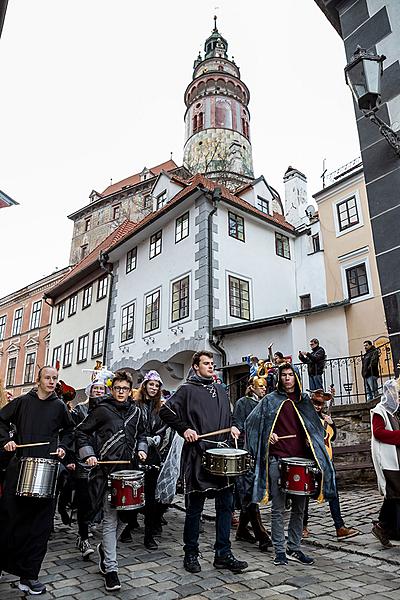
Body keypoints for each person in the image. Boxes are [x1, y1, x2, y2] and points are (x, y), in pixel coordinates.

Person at [159, 351, 248, 575]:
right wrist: (185, 429)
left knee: (226, 506)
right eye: (206, 364)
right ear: (196, 366)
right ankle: (190, 553)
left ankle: (223, 554)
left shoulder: (220, 388)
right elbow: (165, 412)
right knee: (194, 509)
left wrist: (234, 426)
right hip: (197, 453)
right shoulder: (186, 389)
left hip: (222, 453)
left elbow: (230, 417)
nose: (211, 367)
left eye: (212, 364)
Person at [245, 363, 336, 566]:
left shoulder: (304, 401)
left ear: (296, 377)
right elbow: (251, 422)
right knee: (278, 509)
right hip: (278, 460)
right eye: (283, 375)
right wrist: (268, 435)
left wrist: (311, 439)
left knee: (299, 509)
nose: (287, 378)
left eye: (290, 375)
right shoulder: (270, 400)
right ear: (279, 378)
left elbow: (316, 428)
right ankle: (279, 550)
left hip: (301, 462)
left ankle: (294, 547)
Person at [0, 366, 74, 595]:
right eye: (48, 378)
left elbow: (70, 431)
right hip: (19, 467)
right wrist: (6, 440)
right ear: (38, 379)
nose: (52, 382)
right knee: (10, 522)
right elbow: (0, 422)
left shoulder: (59, 406)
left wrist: (63, 447)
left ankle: (29, 576)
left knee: (39, 527)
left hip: (46, 472)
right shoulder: (22, 402)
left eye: (55, 378)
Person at [75, 370, 148, 592]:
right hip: (107, 473)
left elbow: (143, 435)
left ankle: (105, 550)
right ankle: (112, 570)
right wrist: (88, 454)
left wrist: (142, 449)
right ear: (112, 389)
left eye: (125, 389)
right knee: (110, 518)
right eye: (117, 388)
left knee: (127, 518)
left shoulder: (137, 412)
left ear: (130, 390)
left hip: (130, 472)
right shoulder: (102, 410)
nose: (121, 392)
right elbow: (81, 433)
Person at [302, 389, 358, 540]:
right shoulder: (305, 418)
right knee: (305, 494)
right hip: (311, 459)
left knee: (333, 493)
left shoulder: (324, 419)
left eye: (320, 404)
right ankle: (303, 526)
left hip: (327, 461)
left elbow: (331, 438)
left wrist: (332, 425)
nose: (317, 406)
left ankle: (339, 527)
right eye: (315, 403)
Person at [231, 376, 272, 552]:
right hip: (246, 452)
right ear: (252, 387)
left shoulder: (266, 404)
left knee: (252, 491)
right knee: (248, 492)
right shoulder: (243, 403)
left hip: (261, 453)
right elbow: (238, 425)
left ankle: (241, 531)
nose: (263, 389)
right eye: (260, 386)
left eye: (265, 387)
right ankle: (261, 533)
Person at [71, 378, 107, 559]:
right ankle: (83, 537)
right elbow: (73, 434)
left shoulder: (109, 409)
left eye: (102, 388)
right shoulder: (80, 410)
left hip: (102, 462)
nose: (99, 391)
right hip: (83, 461)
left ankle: (90, 524)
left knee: (97, 500)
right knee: (84, 501)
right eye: (96, 388)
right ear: (89, 391)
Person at [133, 369, 168, 550]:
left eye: (157, 385)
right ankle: (128, 525)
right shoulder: (135, 404)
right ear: (145, 385)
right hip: (135, 453)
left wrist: (158, 438)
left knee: (151, 495)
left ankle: (149, 535)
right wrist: (141, 439)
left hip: (153, 454)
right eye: (151, 384)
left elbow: (162, 428)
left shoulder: (159, 408)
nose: (153, 388)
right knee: (134, 492)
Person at [370, 378, 400, 548]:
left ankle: (384, 527)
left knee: (394, 495)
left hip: (397, 459)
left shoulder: (393, 412)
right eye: (396, 395)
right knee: (395, 494)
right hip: (389, 460)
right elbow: (379, 433)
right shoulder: (379, 411)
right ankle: (384, 527)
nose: (398, 399)